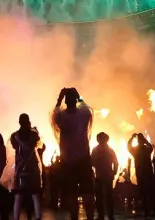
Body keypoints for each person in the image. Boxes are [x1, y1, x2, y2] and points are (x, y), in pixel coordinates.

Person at [50, 87, 95, 220]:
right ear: (75, 100)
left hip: (68, 160)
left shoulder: (61, 118)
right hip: (84, 159)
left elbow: (54, 113)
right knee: (87, 191)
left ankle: (74, 217)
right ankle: (90, 217)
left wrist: (59, 98)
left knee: (71, 192)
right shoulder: (84, 115)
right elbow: (87, 107)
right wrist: (79, 95)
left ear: (65, 101)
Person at [11, 113, 43, 220]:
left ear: (19, 122)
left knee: (19, 195)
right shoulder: (34, 135)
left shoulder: (14, 136)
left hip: (20, 168)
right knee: (35, 194)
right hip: (32, 168)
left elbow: (15, 147)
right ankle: (38, 217)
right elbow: (37, 144)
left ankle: (16, 217)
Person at [90, 133, 118, 220]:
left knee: (101, 197)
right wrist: (114, 172)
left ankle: (102, 215)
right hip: (105, 175)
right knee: (107, 196)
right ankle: (109, 215)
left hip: (101, 175)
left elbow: (91, 162)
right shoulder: (110, 150)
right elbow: (116, 162)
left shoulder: (96, 150)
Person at [130, 133, 155, 219]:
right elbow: (151, 147)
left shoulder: (136, 150)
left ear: (137, 141)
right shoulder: (147, 149)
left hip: (140, 174)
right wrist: (146, 141)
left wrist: (131, 138)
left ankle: (146, 211)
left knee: (143, 193)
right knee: (150, 192)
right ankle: (152, 210)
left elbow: (129, 147)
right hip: (148, 173)